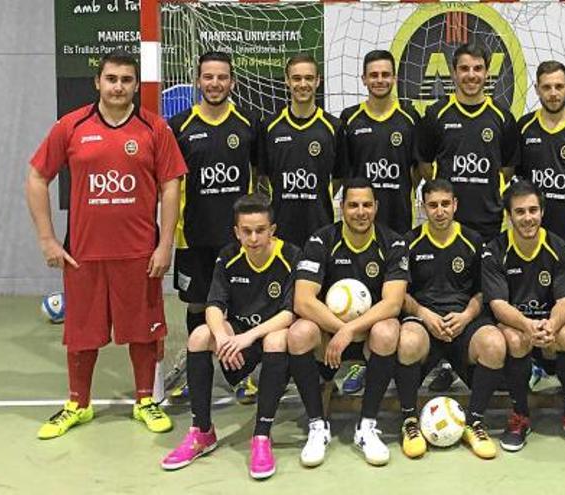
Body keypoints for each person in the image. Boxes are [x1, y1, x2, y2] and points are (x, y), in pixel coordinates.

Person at [26, 50, 186, 439]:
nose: (118, 87)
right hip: (84, 254)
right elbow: (36, 177)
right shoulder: (71, 126)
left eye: (126, 80)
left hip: (139, 253)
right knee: (81, 333)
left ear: (136, 84)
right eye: (111, 79)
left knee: (145, 331)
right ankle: (78, 405)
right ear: (98, 82)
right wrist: (47, 239)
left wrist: (165, 244)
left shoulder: (154, 129)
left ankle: (145, 400)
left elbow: (171, 186)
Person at [160, 193, 299, 480]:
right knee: (200, 336)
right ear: (236, 231)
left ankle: (262, 436)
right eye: (246, 231)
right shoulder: (228, 256)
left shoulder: (290, 256)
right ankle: (202, 432)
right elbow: (214, 305)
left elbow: (290, 314)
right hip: (237, 337)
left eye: (260, 230)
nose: (253, 238)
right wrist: (222, 337)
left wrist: (248, 337)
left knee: (276, 339)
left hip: (270, 334)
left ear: (272, 230)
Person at [287, 178, 409, 467]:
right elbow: (303, 300)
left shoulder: (393, 242)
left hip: (366, 334)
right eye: (353, 205)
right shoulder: (321, 240)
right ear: (341, 207)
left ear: (376, 207)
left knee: (388, 330)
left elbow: (393, 303)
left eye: (367, 204)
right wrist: (339, 329)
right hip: (330, 336)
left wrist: (352, 329)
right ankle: (318, 426)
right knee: (299, 333)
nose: (360, 211)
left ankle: (366, 425)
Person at [168, 50, 261, 403]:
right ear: (198, 81)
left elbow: (261, 177)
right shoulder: (179, 127)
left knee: (237, 306)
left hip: (238, 240)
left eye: (222, 77)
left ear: (232, 81)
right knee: (197, 306)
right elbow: (171, 185)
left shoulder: (249, 123)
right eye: (209, 77)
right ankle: (199, 372)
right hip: (193, 237)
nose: (215, 83)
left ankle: (241, 375)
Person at [397, 179, 506, 459]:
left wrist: (467, 315)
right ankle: (409, 421)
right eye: (433, 205)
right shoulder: (409, 242)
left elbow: (483, 292)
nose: (440, 211)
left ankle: (475, 422)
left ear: (455, 205)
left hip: (463, 322)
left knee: (494, 344)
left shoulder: (473, 240)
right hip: (425, 322)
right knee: (406, 341)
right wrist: (423, 313)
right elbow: (400, 294)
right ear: (423, 207)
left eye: (446, 204)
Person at [482, 181, 565, 452]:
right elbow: (498, 305)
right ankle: (520, 414)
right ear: (509, 216)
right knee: (516, 340)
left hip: (549, 324)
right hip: (517, 325)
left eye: (533, 210)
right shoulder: (494, 251)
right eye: (520, 212)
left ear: (542, 211)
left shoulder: (561, 248)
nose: (528, 217)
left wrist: (552, 325)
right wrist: (528, 325)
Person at [416, 42, 520, 240]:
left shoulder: (503, 117)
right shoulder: (435, 114)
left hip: (488, 222)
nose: (471, 75)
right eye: (464, 69)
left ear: (487, 73)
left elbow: (507, 169)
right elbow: (425, 166)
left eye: (478, 68)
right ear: (454, 73)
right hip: (446, 222)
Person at [260, 53, 345, 248]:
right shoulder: (270, 126)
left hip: (320, 228)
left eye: (308, 78)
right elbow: (262, 176)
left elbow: (339, 176)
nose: (303, 84)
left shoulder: (334, 126)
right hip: (279, 231)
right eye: (297, 78)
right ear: (287, 82)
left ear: (318, 81)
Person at [340, 50, 421, 235]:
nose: (379, 80)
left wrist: (404, 188)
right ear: (364, 79)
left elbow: (418, 168)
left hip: (399, 217)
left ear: (394, 78)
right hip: (360, 219)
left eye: (385, 74)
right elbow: (344, 168)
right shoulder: (350, 118)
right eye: (373, 75)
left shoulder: (410, 117)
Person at [518, 60, 565, 248]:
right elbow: (517, 177)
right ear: (537, 89)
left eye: (559, 86)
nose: (553, 93)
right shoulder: (524, 127)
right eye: (547, 87)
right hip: (529, 229)